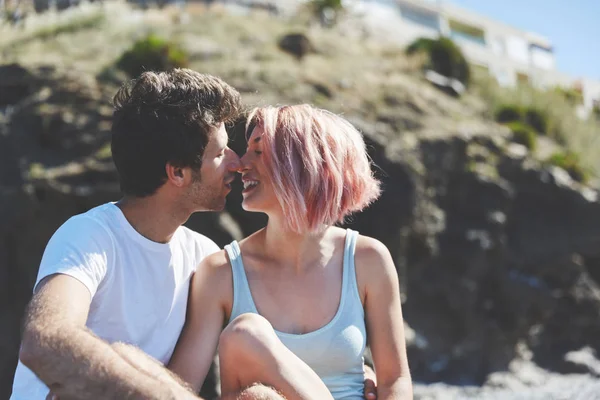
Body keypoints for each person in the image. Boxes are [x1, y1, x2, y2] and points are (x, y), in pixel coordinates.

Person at [10, 69, 379, 400]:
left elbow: (269, 342)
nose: (236, 162)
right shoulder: (91, 236)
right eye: (220, 153)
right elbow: (46, 340)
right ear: (178, 173)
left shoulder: (203, 257)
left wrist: (349, 371)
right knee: (119, 359)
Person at [169, 105, 412, 400]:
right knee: (245, 334)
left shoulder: (368, 260)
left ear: (302, 164)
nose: (241, 164)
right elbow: (177, 390)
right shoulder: (221, 272)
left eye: (258, 152)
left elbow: (395, 380)